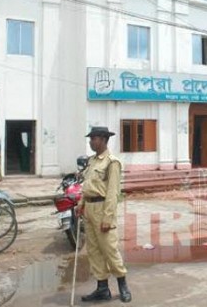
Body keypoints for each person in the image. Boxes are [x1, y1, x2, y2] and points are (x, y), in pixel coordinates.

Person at [75, 126, 131, 303]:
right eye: (90, 138)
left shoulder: (111, 162)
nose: (91, 142)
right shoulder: (92, 161)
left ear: (104, 140)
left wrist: (107, 218)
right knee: (93, 251)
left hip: (102, 209)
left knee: (109, 249)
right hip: (89, 209)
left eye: (94, 138)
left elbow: (113, 192)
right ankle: (102, 288)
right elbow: (87, 186)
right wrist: (81, 204)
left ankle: (123, 284)